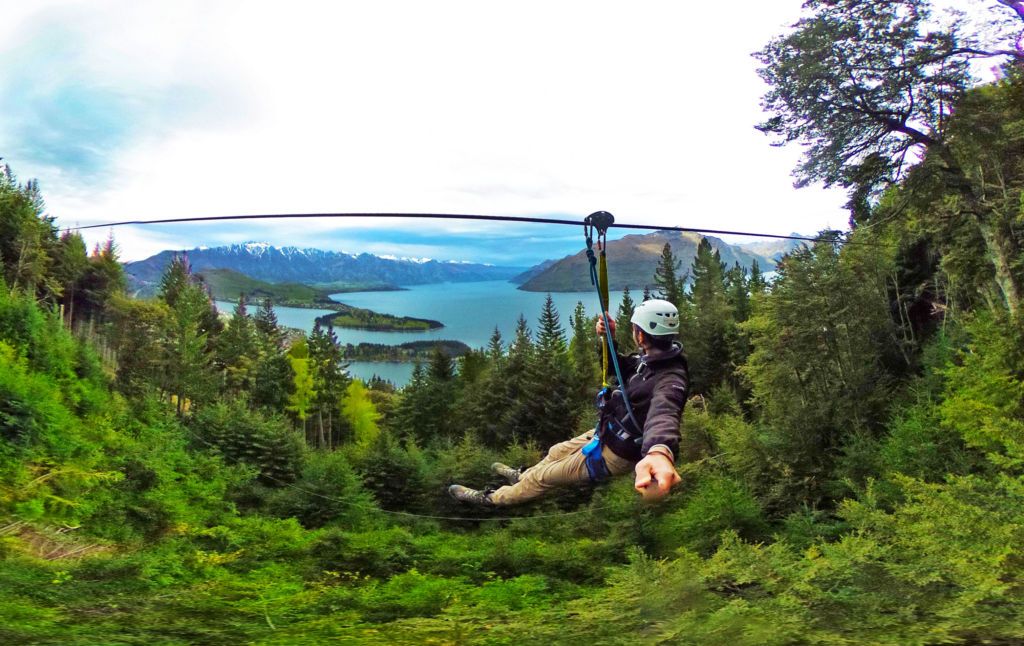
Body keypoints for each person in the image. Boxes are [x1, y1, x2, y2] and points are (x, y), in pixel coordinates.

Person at [448, 298, 689, 507]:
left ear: (640, 334)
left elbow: (664, 413)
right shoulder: (652, 360)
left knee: (542, 479)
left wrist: (659, 451)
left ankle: (490, 499)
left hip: (617, 452)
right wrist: (608, 339)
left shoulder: (670, 380)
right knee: (555, 452)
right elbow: (620, 368)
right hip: (608, 431)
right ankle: (521, 477)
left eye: (634, 328)